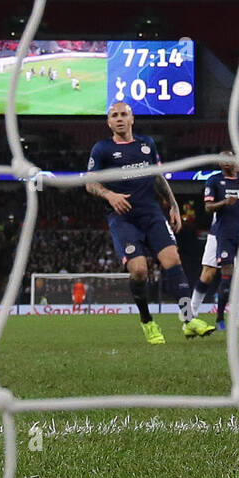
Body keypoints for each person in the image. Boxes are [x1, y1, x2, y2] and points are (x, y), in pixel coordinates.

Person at [85, 101, 215, 344]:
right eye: (115, 115)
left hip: (151, 213)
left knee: (173, 260)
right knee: (139, 270)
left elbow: (157, 176)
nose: (120, 118)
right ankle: (147, 321)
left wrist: (173, 204)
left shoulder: (147, 145)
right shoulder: (101, 149)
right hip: (122, 218)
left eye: (124, 114)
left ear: (132, 119)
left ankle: (189, 321)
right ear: (109, 122)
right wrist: (110, 195)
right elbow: (90, 184)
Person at [191, 150, 239, 331]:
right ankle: (191, 314)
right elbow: (209, 207)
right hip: (218, 233)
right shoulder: (214, 180)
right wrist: (225, 202)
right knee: (208, 274)